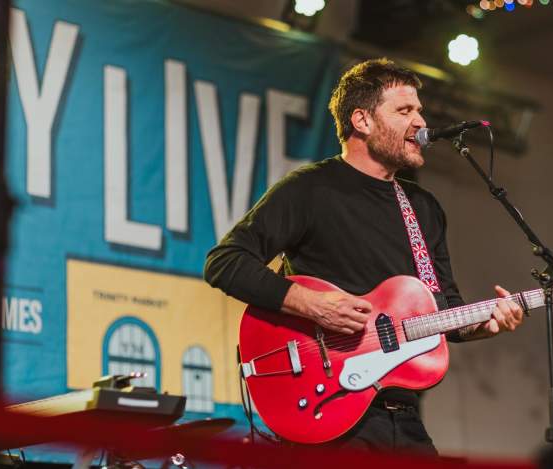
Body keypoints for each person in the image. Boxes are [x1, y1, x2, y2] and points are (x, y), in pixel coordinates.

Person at [203, 58, 524, 454]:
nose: (421, 122)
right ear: (362, 120)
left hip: (401, 416)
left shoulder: (423, 208)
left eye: (420, 110)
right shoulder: (310, 190)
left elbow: (446, 312)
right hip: (329, 411)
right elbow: (225, 261)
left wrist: (484, 324)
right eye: (404, 111)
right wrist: (312, 305)